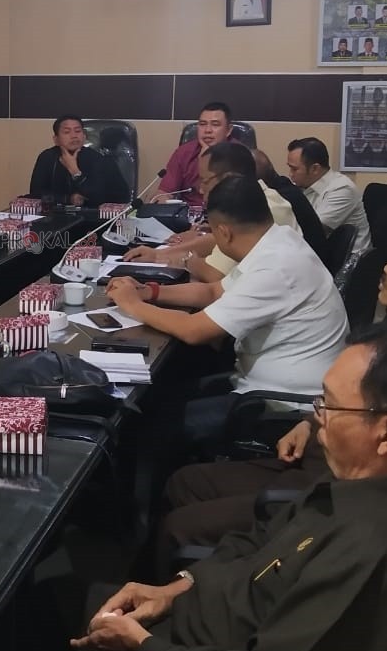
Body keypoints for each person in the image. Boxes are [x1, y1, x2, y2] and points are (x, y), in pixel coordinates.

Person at [0, 317, 387, 651]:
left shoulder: (374, 554)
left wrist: (145, 648)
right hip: (188, 621)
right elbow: (263, 538)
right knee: (31, 607)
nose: (316, 416)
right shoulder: (367, 482)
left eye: (328, 405)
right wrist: (171, 590)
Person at [155, 225, 387, 572]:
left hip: (330, 492)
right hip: (314, 458)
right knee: (185, 482)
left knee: (178, 527)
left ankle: (156, 608)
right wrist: (311, 421)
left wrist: (365, 475)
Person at [108, 177, 349, 448]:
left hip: (283, 406)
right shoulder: (278, 242)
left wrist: (133, 306)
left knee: (148, 422)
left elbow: (193, 330)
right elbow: (213, 291)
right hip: (261, 385)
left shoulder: (276, 267)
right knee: (161, 394)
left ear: (223, 232)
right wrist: (150, 292)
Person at [124, 143, 298, 282]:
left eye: (205, 181)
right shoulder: (256, 198)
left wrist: (185, 260)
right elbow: (215, 241)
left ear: (228, 178)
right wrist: (158, 254)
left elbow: (214, 273)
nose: (201, 189)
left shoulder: (265, 207)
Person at [285, 137, 371, 254]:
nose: (290, 174)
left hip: (347, 262)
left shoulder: (342, 189)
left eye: (294, 169)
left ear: (315, 169)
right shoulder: (306, 186)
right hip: (325, 252)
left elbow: (313, 232)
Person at [28, 116, 127, 208]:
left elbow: (103, 198)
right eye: (67, 132)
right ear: (56, 139)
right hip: (55, 218)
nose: (74, 136)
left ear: (84, 136)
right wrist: (68, 199)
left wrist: (75, 172)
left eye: (78, 131)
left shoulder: (99, 159)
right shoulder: (47, 157)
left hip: (91, 220)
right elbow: (35, 195)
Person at [252, 149, 327, 259]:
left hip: (308, 264)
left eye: (294, 169)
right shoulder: (284, 187)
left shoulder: (276, 201)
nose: (290, 174)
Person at [156, 103, 233, 207]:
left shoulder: (240, 155)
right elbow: (163, 193)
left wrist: (207, 160)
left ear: (228, 130)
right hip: (187, 217)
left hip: (225, 216)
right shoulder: (184, 153)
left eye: (215, 124)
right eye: (202, 124)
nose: (207, 130)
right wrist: (162, 201)